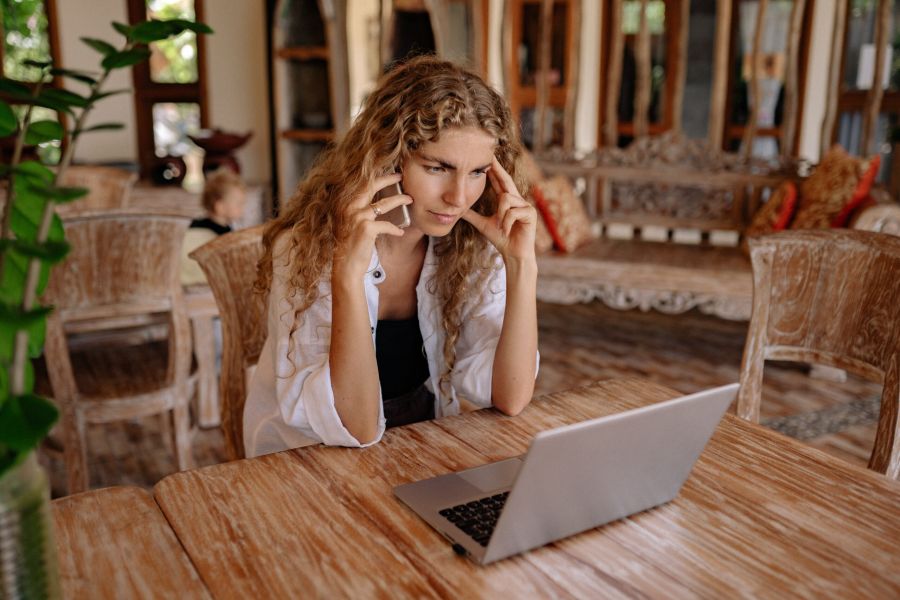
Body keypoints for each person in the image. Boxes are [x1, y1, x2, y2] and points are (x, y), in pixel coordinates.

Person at [244, 56, 539, 457]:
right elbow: (358, 427)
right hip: (311, 455)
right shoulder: (306, 249)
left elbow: (512, 396)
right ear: (387, 154)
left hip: (419, 440)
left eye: (477, 172)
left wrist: (522, 266)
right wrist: (348, 275)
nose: (458, 196)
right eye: (438, 167)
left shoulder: (469, 245)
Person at [180, 168, 248, 286]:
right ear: (220, 207)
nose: (242, 208)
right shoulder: (222, 235)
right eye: (239, 204)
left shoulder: (194, 224)